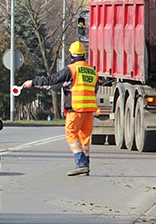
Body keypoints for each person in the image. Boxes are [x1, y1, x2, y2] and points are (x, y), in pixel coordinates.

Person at [21, 41, 99, 176]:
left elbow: (52, 81)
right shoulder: (92, 71)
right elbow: (94, 89)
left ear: (72, 55)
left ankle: (81, 164)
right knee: (84, 137)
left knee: (71, 133)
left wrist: (32, 83)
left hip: (76, 108)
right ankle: (85, 164)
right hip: (89, 109)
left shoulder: (71, 70)